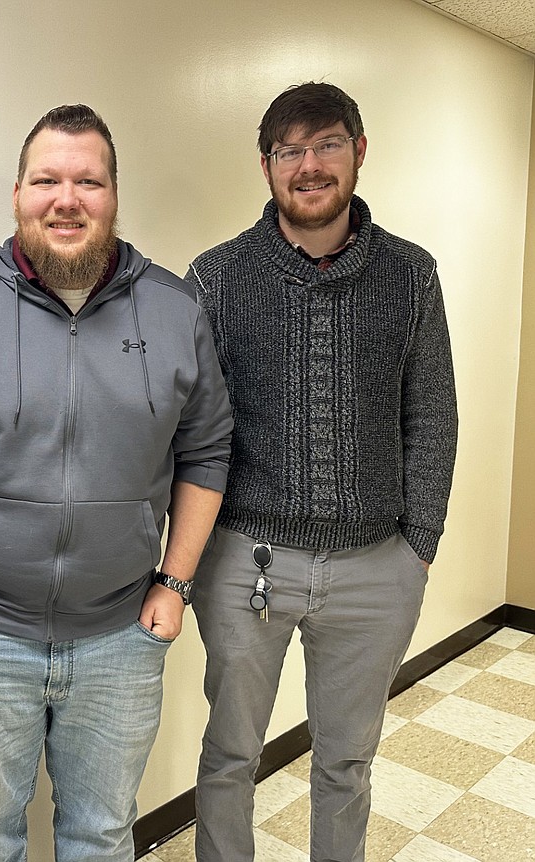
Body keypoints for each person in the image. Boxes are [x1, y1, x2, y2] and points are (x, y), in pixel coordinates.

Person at [0, 104, 233, 862]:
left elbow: (207, 454)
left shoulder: (175, 309)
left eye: (88, 181)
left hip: (119, 636)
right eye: (47, 179)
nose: (66, 198)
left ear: (113, 195)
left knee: (102, 837)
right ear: (17, 193)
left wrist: (174, 586)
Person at [186, 82, 458, 862]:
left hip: (379, 567)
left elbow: (433, 413)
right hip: (246, 563)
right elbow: (189, 428)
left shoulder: (412, 275)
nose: (309, 165)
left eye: (327, 144)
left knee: (346, 761)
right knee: (231, 755)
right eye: (289, 150)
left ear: (360, 151)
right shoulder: (215, 278)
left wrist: (420, 544)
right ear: (266, 166)